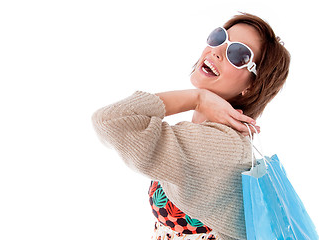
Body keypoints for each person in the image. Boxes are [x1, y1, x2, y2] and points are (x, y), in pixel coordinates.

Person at [92, 12, 290, 240]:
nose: (216, 51)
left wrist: (198, 98)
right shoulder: (205, 133)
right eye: (219, 37)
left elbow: (109, 121)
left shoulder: (222, 145)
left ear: (252, 86)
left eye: (238, 54)